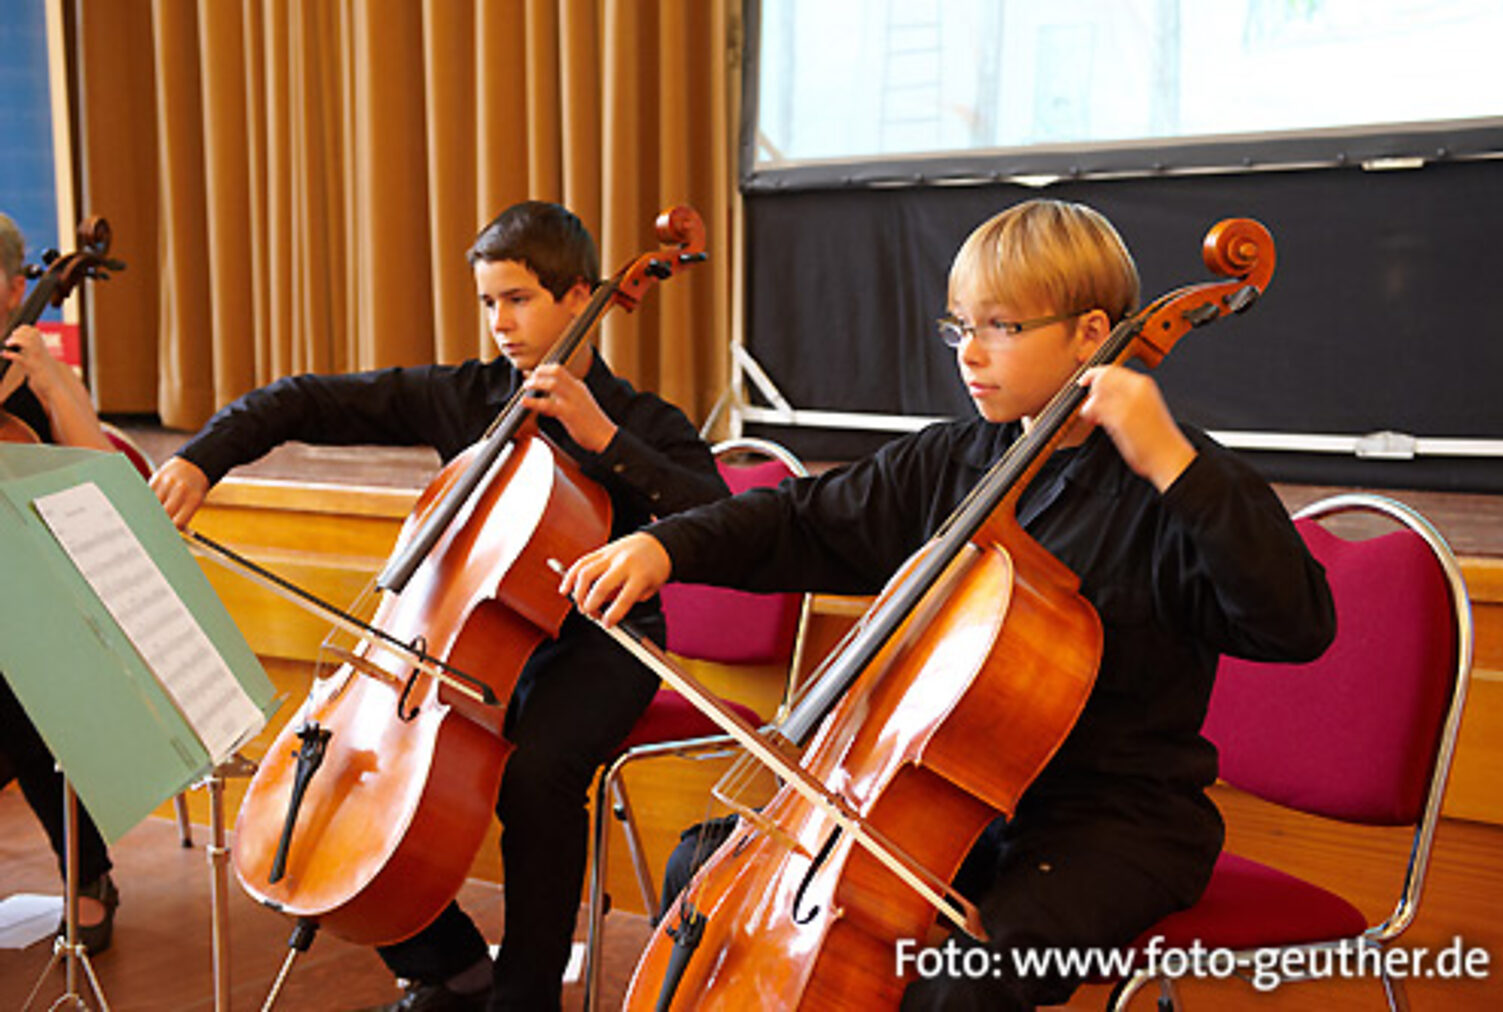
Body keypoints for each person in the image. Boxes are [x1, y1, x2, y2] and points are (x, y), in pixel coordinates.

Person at [561, 198, 1337, 1010]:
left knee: (962, 985)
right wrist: (667, 546)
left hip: (1111, 822)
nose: (970, 352)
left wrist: (1175, 462)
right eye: (959, 326)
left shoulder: (1171, 482)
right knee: (707, 867)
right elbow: (800, 520)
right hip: (946, 803)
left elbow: (1296, 624)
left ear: (1089, 332)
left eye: (1000, 326)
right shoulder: (957, 460)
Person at [150, 200, 728, 1011]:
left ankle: (526, 997)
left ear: (580, 297)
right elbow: (303, 399)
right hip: (463, 636)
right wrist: (204, 459)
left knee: (538, 777)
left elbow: (715, 509)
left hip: (600, 642)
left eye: (518, 299)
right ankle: (451, 964)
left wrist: (602, 439)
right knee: (357, 770)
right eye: (489, 302)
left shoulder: (639, 419)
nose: (500, 323)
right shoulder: (467, 396)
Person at [1, 211, 121, 955]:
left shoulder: (42, 377)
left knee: (17, 672)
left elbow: (106, 481)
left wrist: (46, 378)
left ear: (17, 287)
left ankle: (88, 873)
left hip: (42, 615)